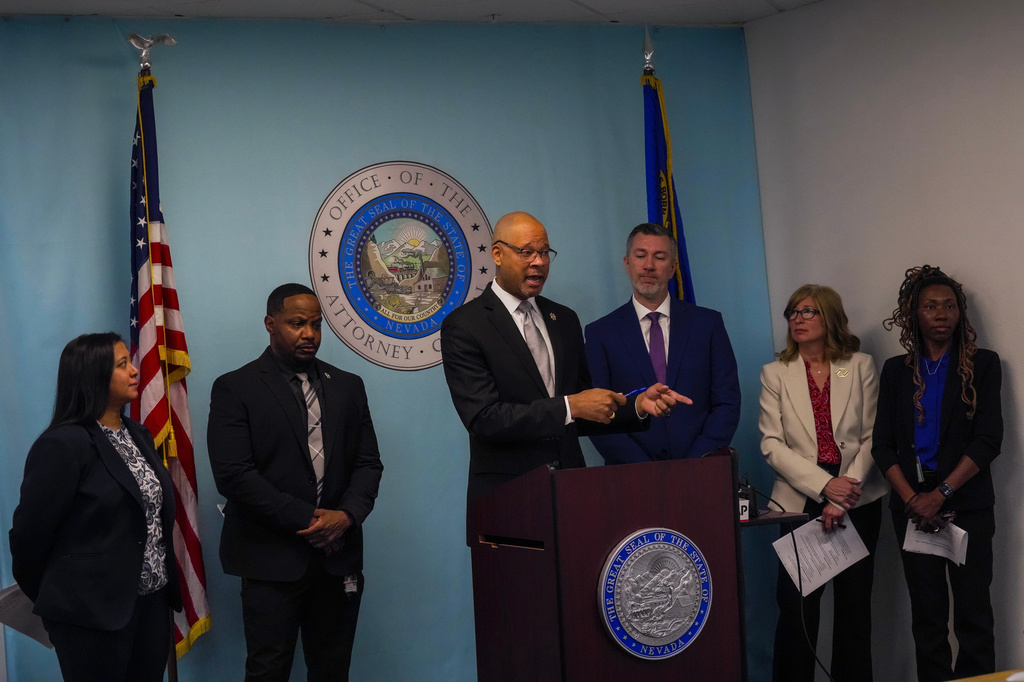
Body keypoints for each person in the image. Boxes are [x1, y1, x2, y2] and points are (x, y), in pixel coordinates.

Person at [440, 211, 688, 506]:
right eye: (527, 252)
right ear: (497, 254)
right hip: (507, 501)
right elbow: (485, 419)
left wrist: (637, 405)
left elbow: (584, 408)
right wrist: (570, 406)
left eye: (545, 253)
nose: (539, 262)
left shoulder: (564, 319)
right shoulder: (466, 325)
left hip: (571, 495)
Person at [207, 283, 383, 682]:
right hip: (269, 559)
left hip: (338, 558)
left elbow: (368, 463)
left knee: (332, 670)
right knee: (268, 669)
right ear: (271, 324)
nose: (309, 334)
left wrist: (347, 516)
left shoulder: (349, 386)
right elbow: (234, 475)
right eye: (297, 324)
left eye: (316, 325)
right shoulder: (236, 388)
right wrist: (310, 520)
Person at [9, 332, 182, 682]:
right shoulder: (62, 444)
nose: (135, 371)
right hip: (90, 616)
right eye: (122, 365)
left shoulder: (138, 434)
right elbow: (28, 539)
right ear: (93, 374)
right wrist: (63, 604)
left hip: (151, 606)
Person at [872, 265, 1002, 682]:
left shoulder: (983, 364)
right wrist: (914, 498)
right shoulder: (895, 370)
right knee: (927, 621)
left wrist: (940, 493)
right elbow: (883, 445)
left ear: (960, 314)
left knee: (973, 617)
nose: (941, 313)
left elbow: (988, 440)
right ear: (915, 315)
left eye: (949, 306)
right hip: (912, 511)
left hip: (967, 507)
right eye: (930, 306)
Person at [758, 285, 887, 682]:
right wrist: (823, 487)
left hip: (857, 500)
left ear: (829, 317)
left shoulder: (858, 365)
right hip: (799, 503)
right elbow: (771, 443)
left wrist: (844, 489)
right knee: (798, 612)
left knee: (853, 611)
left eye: (807, 311)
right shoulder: (776, 373)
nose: (797, 318)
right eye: (792, 312)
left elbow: (872, 436)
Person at [585, 222, 741, 462]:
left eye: (659, 257)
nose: (648, 265)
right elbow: (598, 413)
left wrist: (696, 462)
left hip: (700, 471)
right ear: (627, 264)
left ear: (672, 268)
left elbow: (726, 403)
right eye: (640, 256)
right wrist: (646, 471)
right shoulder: (600, 333)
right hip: (631, 477)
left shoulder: (708, 324)